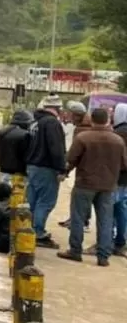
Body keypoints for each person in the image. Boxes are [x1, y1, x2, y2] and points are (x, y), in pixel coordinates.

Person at [57, 107, 127, 267]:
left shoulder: (83, 137)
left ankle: (75, 251)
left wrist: (64, 172)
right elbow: (124, 164)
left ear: (92, 120)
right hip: (108, 186)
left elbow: (71, 159)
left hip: (85, 183)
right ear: (107, 120)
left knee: (78, 217)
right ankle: (103, 256)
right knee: (105, 220)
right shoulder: (118, 140)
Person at [25, 95, 68, 249]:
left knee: (32, 201)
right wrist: (61, 168)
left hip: (32, 167)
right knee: (46, 202)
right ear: (58, 109)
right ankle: (38, 232)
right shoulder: (52, 123)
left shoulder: (34, 122)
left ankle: (27, 229)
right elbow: (56, 148)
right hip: (46, 168)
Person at [59, 100, 92, 231]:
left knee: (81, 196)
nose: (69, 117)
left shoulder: (81, 130)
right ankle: (77, 219)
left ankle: (81, 222)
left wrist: (66, 170)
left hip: (85, 170)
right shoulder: (85, 126)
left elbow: (75, 154)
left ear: (77, 115)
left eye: (71, 114)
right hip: (88, 169)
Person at [0, 109, 33, 184]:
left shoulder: (1, 132)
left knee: (4, 190)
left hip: (3, 171)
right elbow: (27, 156)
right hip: (20, 173)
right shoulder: (25, 135)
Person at [112, 103, 127, 257]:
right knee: (121, 208)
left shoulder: (119, 133)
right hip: (124, 179)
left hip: (116, 176)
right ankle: (121, 242)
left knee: (109, 209)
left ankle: (108, 241)